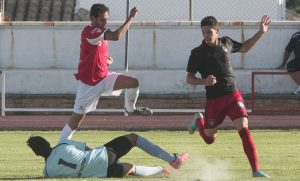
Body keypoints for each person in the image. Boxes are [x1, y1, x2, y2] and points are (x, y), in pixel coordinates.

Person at [186, 15, 271, 178]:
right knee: (210, 139)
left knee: (244, 129)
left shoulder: (226, 42)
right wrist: (204, 81)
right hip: (214, 101)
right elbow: (189, 78)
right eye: (203, 32)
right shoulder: (197, 53)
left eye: (209, 32)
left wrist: (261, 32)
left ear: (217, 31)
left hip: (233, 95)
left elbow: (245, 48)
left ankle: (256, 171)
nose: (206, 35)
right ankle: (199, 120)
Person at [59, 4, 153, 142]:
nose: (105, 22)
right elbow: (116, 36)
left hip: (104, 78)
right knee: (75, 122)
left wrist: (106, 62)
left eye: (107, 19)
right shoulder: (89, 31)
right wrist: (130, 18)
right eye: (102, 19)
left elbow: (93, 54)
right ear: (93, 18)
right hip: (89, 85)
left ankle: (130, 108)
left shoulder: (100, 33)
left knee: (133, 82)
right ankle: (59, 146)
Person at [27, 133, 189, 178]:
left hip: (103, 173)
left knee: (130, 169)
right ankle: (172, 160)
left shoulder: (47, 172)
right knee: (133, 138)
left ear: (36, 154)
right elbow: (87, 149)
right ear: (48, 143)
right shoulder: (62, 145)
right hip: (103, 157)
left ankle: (161, 170)